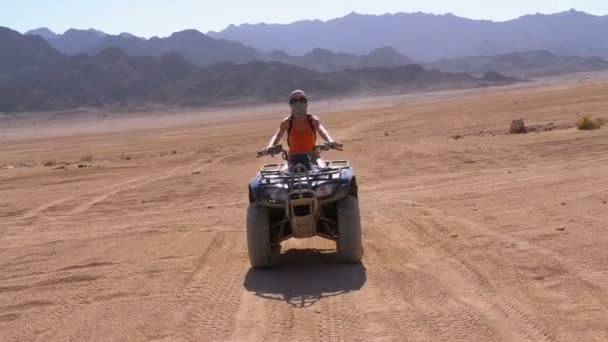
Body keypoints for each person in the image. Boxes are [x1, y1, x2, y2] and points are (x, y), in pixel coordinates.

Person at [258, 90, 341, 166]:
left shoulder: (313, 120)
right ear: (290, 104)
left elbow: (323, 132)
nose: (298, 103)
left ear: (306, 103)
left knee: (323, 171)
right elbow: (276, 136)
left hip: (313, 157)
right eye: (294, 101)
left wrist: (331, 142)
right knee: (285, 176)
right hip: (292, 159)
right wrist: (269, 147)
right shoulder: (287, 122)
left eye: (302, 100)